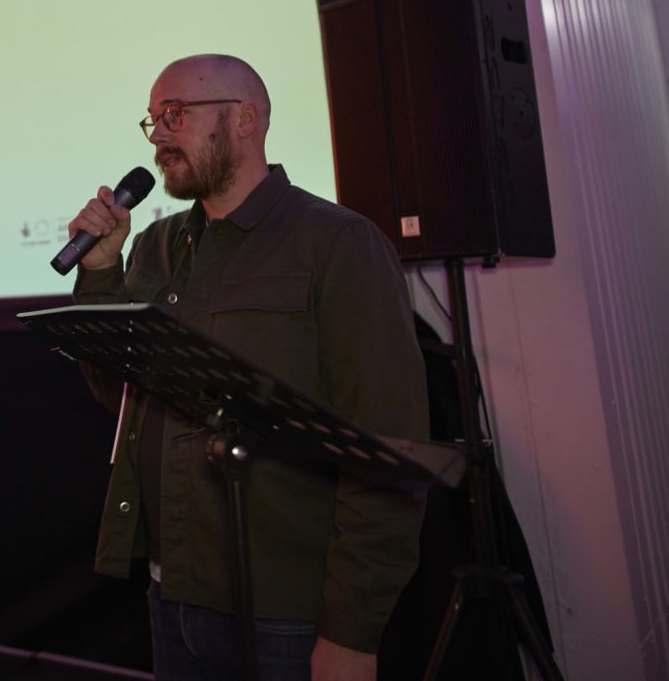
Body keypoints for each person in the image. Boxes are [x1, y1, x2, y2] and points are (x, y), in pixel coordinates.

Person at [66, 54, 427, 681]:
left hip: (286, 613)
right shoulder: (154, 246)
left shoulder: (336, 242)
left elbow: (388, 446)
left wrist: (352, 629)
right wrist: (99, 274)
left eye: (175, 114)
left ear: (245, 119)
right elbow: (124, 399)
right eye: (153, 121)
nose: (159, 138)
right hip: (171, 593)